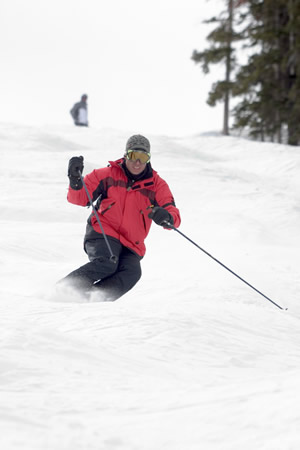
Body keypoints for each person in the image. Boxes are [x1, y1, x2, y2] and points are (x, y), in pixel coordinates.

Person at [59, 134, 181, 301]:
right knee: (108, 261)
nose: (137, 162)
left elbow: (172, 213)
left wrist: (167, 217)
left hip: (131, 243)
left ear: (148, 159)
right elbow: (79, 198)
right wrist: (75, 181)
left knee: (132, 272)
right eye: (133, 156)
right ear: (126, 155)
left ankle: (90, 299)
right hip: (103, 232)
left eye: (143, 157)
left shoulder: (157, 185)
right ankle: (65, 289)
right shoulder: (106, 175)